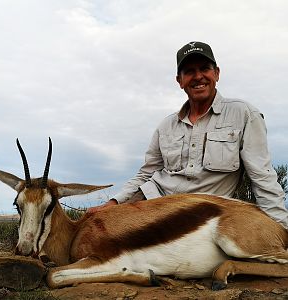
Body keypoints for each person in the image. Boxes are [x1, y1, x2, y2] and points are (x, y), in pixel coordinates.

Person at [89, 41, 288, 229]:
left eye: (204, 69)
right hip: (152, 205)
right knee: (95, 229)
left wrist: (281, 228)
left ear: (216, 73)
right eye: (189, 71)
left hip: (203, 219)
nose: (198, 76)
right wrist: (113, 202)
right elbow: (146, 174)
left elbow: (263, 177)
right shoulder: (166, 125)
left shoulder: (244, 114)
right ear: (180, 81)